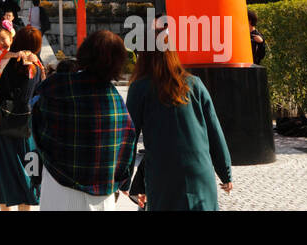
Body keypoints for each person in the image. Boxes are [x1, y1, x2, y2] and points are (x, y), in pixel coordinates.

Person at [31, 30, 135, 211]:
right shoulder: (116, 101)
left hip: (59, 187)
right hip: (102, 196)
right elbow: (127, 150)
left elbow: (37, 126)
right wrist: (123, 184)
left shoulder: (56, 85)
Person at [126, 43, 232, 211]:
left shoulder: (140, 88)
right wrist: (225, 172)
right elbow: (214, 130)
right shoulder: (195, 84)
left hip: (163, 173)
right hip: (199, 170)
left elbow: (128, 138)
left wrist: (125, 179)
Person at [0, 25, 46, 210]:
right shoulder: (36, 66)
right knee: (26, 178)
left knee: (2, 175)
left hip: (0, 126)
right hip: (26, 129)